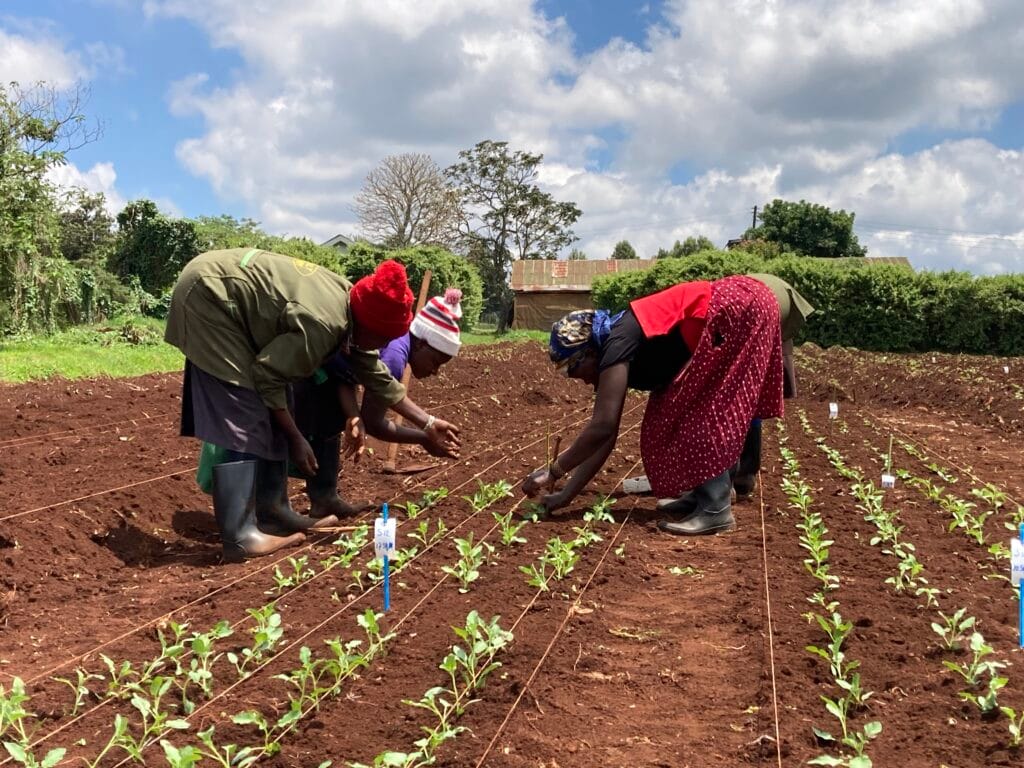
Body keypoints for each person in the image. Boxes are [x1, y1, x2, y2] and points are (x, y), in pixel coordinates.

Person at [165, 248, 460, 561]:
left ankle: (274, 509)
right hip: (209, 297)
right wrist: (295, 437)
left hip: (226, 293)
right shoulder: (323, 323)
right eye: (384, 339)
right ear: (370, 328)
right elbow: (268, 375)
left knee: (279, 406)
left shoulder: (354, 307)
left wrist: (428, 423)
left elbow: (374, 374)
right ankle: (240, 535)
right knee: (248, 408)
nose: (385, 347)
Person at [521, 273, 813, 536]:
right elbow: (606, 438)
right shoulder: (616, 343)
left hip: (736, 309)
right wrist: (565, 496)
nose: (576, 379)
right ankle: (703, 493)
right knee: (665, 419)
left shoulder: (616, 342)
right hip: (740, 307)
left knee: (702, 411)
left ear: (587, 353)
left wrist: (554, 472)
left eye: (571, 369)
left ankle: (715, 508)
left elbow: (603, 425)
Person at [291, 288, 466, 518]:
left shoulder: (398, 344)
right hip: (306, 372)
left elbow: (344, 372)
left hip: (325, 371)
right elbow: (374, 423)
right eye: (436, 362)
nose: (435, 371)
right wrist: (424, 437)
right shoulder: (394, 358)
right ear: (422, 343)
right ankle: (272, 509)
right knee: (310, 427)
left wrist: (352, 413)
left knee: (334, 422)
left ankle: (325, 499)